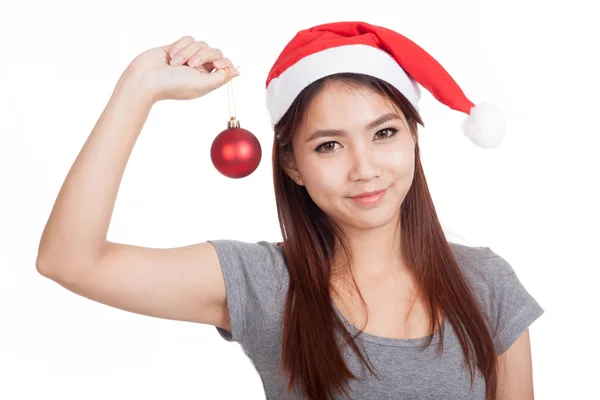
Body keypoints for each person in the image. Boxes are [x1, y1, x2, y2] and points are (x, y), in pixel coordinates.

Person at [36, 21, 544, 400]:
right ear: (292, 164)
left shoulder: (487, 282)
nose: (364, 168)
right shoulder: (266, 283)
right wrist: (137, 89)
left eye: (384, 133)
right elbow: (71, 261)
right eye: (329, 146)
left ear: (413, 137)